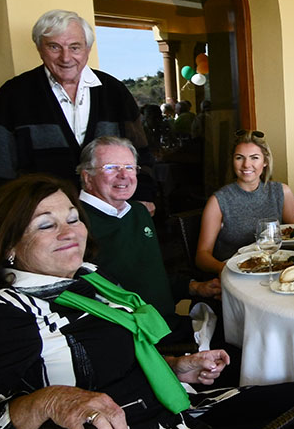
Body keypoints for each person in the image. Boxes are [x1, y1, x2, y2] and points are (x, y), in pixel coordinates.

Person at [0, 174, 294, 429]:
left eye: (73, 218)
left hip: (167, 402)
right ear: (8, 245)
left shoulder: (88, 279)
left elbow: (115, 356)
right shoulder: (10, 312)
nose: (69, 232)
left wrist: (174, 366)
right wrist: (49, 401)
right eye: (46, 225)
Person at [0, 9, 156, 212]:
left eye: (75, 47)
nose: (66, 58)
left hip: (111, 213)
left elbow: (140, 153)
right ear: (39, 48)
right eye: (54, 47)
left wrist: (143, 195)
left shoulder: (115, 92)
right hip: (43, 216)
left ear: (88, 48)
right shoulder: (12, 95)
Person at [78, 136, 221, 329]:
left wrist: (194, 287)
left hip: (165, 322)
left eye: (130, 167)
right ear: (88, 177)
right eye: (111, 167)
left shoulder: (138, 212)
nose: (124, 175)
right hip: (131, 334)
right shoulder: (75, 223)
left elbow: (152, 275)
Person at [196, 131, 294, 274]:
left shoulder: (282, 192)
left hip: (274, 269)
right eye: (239, 158)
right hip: (236, 274)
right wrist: (227, 271)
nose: (246, 164)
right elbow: (202, 256)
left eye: (254, 158)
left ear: (265, 161)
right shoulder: (218, 201)